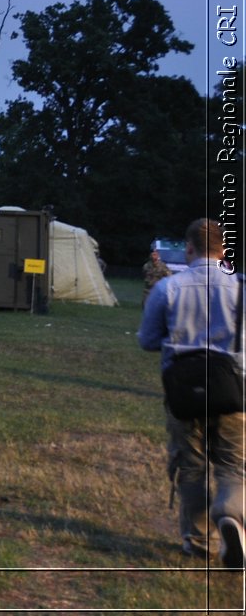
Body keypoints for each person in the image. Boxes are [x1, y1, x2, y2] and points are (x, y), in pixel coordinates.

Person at [138, 218, 244, 566]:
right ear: (224, 250)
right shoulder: (242, 287)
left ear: (188, 247)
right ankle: (231, 515)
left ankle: (199, 541)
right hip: (235, 389)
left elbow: (148, 340)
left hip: (184, 390)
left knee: (192, 467)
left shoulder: (168, 288)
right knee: (233, 465)